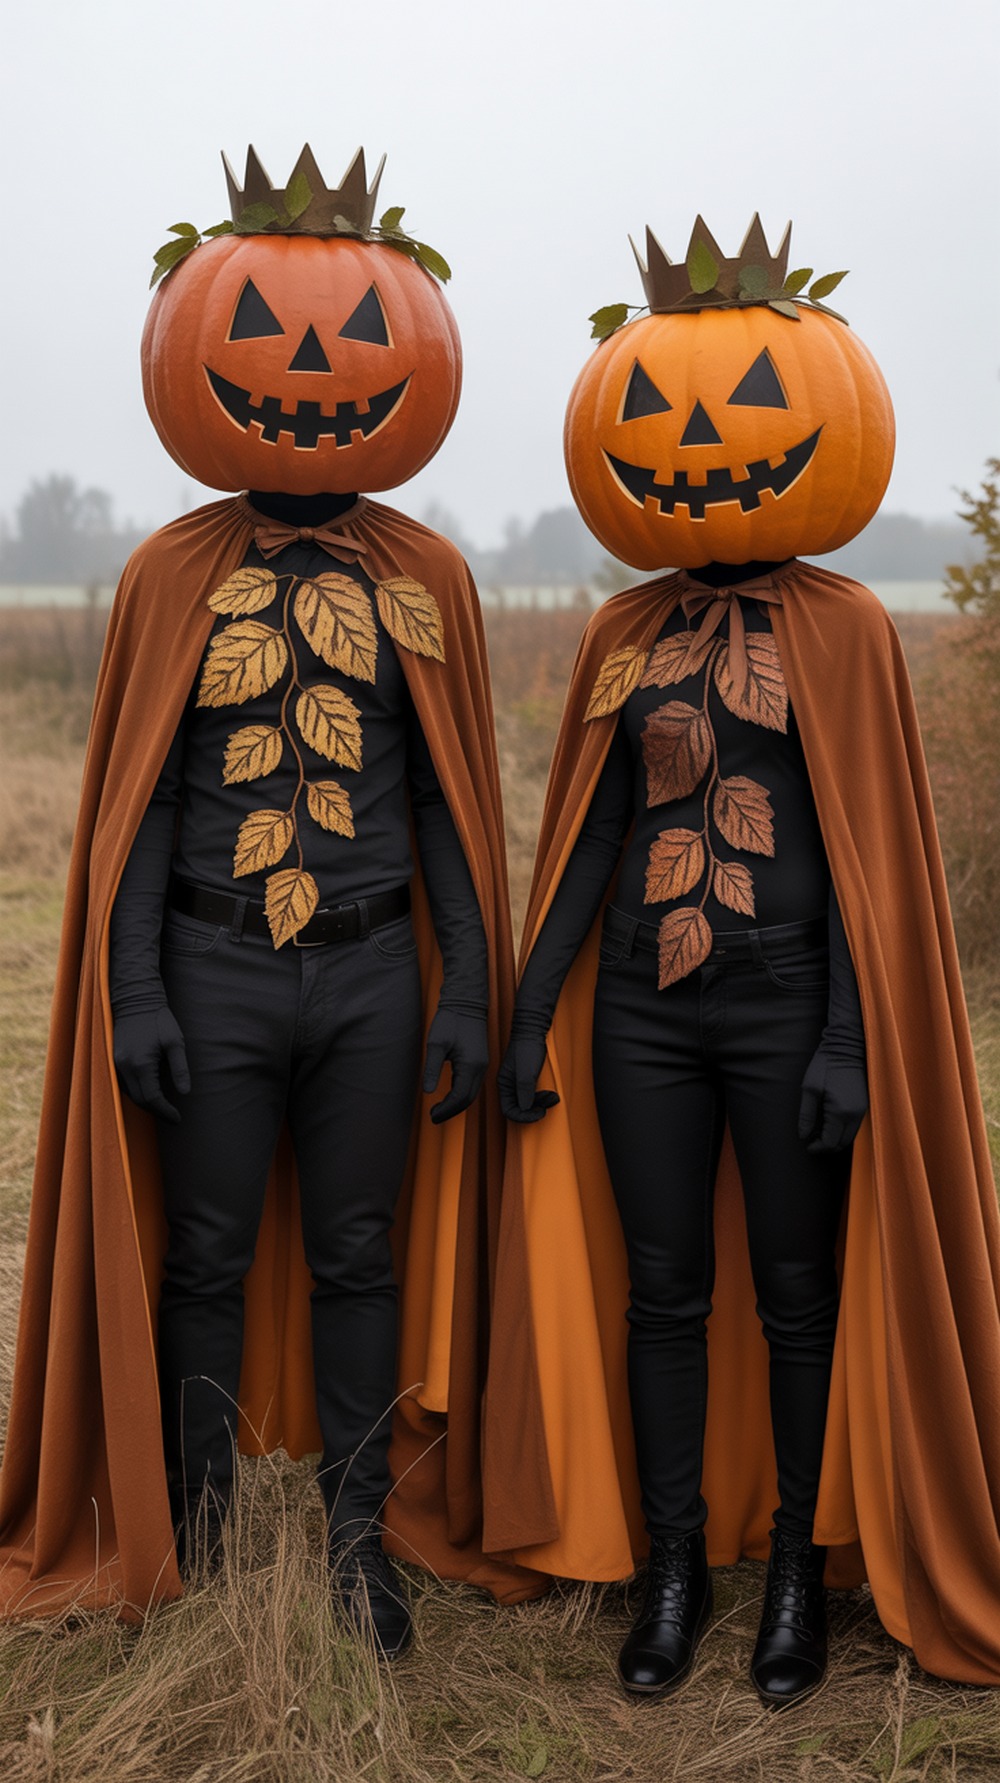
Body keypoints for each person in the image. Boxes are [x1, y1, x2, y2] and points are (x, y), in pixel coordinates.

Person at [0, 147, 533, 1654]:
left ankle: (361, 1545)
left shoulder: (425, 575)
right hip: (212, 971)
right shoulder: (173, 578)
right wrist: (137, 986)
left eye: (354, 340)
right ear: (197, 352)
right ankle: (210, 1530)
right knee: (209, 1255)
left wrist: (474, 988)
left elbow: (443, 801)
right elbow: (138, 807)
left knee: (360, 1250)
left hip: (373, 978)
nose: (311, 372)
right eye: (273, 339)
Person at [485, 215, 1000, 1701]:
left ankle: (791, 1572)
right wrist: (531, 1011)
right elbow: (592, 830)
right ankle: (670, 1574)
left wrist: (847, 1034)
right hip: (643, 1012)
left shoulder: (839, 633)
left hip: (787, 1012)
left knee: (794, 1292)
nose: (697, 445)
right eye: (653, 413)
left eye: (747, 414)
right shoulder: (625, 632)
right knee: (661, 1291)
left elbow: (860, 852)